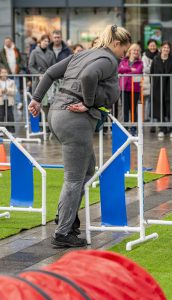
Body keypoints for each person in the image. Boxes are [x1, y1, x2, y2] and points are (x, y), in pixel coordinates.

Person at [28, 24, 131, 247]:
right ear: (116, 44)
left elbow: (51, 73)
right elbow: (88, 76)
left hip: (56, 114)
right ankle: (63, 232)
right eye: (124, 51)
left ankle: (66, 214)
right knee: (74, 178)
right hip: (74, 120)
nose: (123, 57)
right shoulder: (107, 60)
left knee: (87, 170)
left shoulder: (82, 53)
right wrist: (88, 102)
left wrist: (36, 98)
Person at [150, 41, 172, 139]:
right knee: (160, 108)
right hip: (158, 88)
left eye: (168, 48)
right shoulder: (156, 59)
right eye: (164, 47)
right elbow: (152, 74)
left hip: (169, 88)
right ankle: (162, 128)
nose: (166, 49)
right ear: (161, 48)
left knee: (170, 108)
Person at [118, 43, 143, 135]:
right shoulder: (123, 61)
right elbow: (119, 69)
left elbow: (137, 71)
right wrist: (130, 69)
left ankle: (133, 128)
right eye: (134, 50)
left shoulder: (140, 63)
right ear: (130, 51)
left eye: (137, 50)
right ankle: (125, 128)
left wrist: (126, 69)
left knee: (133, 110)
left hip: (134, 89)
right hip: (124, 88)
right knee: (125, 109)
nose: (136, 52)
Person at [28, 34, 56, 115]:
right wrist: (38, 74)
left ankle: (47, 125)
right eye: (44, 41)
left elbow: (54, 66)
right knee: (36, 101)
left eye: (48, 41)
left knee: (47, 102)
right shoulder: (34, 52)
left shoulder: (51, 53)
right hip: (37, 79)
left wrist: (50, 75)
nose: (46, 43)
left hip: (49, 79)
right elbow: (30, 66)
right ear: (40, 41)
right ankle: (36, 125)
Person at [0, 37, 24, 110]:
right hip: (6, 73)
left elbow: (21, 60)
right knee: (6, 88)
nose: (7, 43)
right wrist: (4, 68)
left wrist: (19, 66)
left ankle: (18, 103)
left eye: (8, 41)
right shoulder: (2, 52)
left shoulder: (16, 50)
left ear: (11, 42)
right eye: (6, 42)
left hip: (16, 72)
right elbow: (0, 62)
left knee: (16, 87)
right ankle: (8, 104)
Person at [142, 39, 159, 124]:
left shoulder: (159, 54)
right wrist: (154, 68)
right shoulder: (144, 56)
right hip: (147, 81)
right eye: (151, 45)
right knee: (147, 99)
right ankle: (147, 117)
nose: (152, 47)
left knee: (156, 99)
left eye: (154, 45)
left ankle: (154, 116)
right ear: (148, 46)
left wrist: (151, 68)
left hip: (157, 81)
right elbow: (144, 69)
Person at [0, 68, 16, 132]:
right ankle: (1, 130)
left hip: (9, 101)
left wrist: (7, 90)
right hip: (1, 101)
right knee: (1, 115)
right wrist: (1, 91)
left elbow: (14, 91)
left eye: (5, 72)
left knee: (10, 116)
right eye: (2, 72)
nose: (4, 74)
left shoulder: (11, 81)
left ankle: (11, 130)